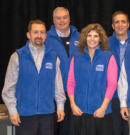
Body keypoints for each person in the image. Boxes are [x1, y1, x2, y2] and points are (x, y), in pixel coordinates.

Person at [1, 19, 66, 135]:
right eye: (35, 32)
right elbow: (8, 89)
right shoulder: (17, 57)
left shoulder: (53, 57)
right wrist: (12, 111)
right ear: (28, 35)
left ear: (46, 35)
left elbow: (58, 85)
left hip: (47, 115)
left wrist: (60, 106)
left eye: (42, 32)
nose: (39, 35)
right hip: (24, 115)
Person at [67, 23, 118, 135]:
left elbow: (112, 85)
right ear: (85, 38)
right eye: (89, 35)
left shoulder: (109, 57)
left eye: (96, 36)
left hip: (100, 112)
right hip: (79, 111)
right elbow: (70, 83)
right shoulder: (76, 57)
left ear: (100, 39)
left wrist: (103, 108)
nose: (92, 39)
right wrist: (72, 105)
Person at [46, 7, 80, 135]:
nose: (62, 21)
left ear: (69, 18)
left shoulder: (81, 37)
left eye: (64, 17)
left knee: (71, 130)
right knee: (51, 129)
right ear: (53, 20)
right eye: (58, 18)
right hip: (53, 93)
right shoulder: (45, 38)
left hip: (75, 93)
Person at [108, 10, 130, 135]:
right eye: (116, 22)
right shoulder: (104, 44)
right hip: (112, 97)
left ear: (128, 24)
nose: (120, 25)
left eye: (123, 21)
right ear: (112, 26)